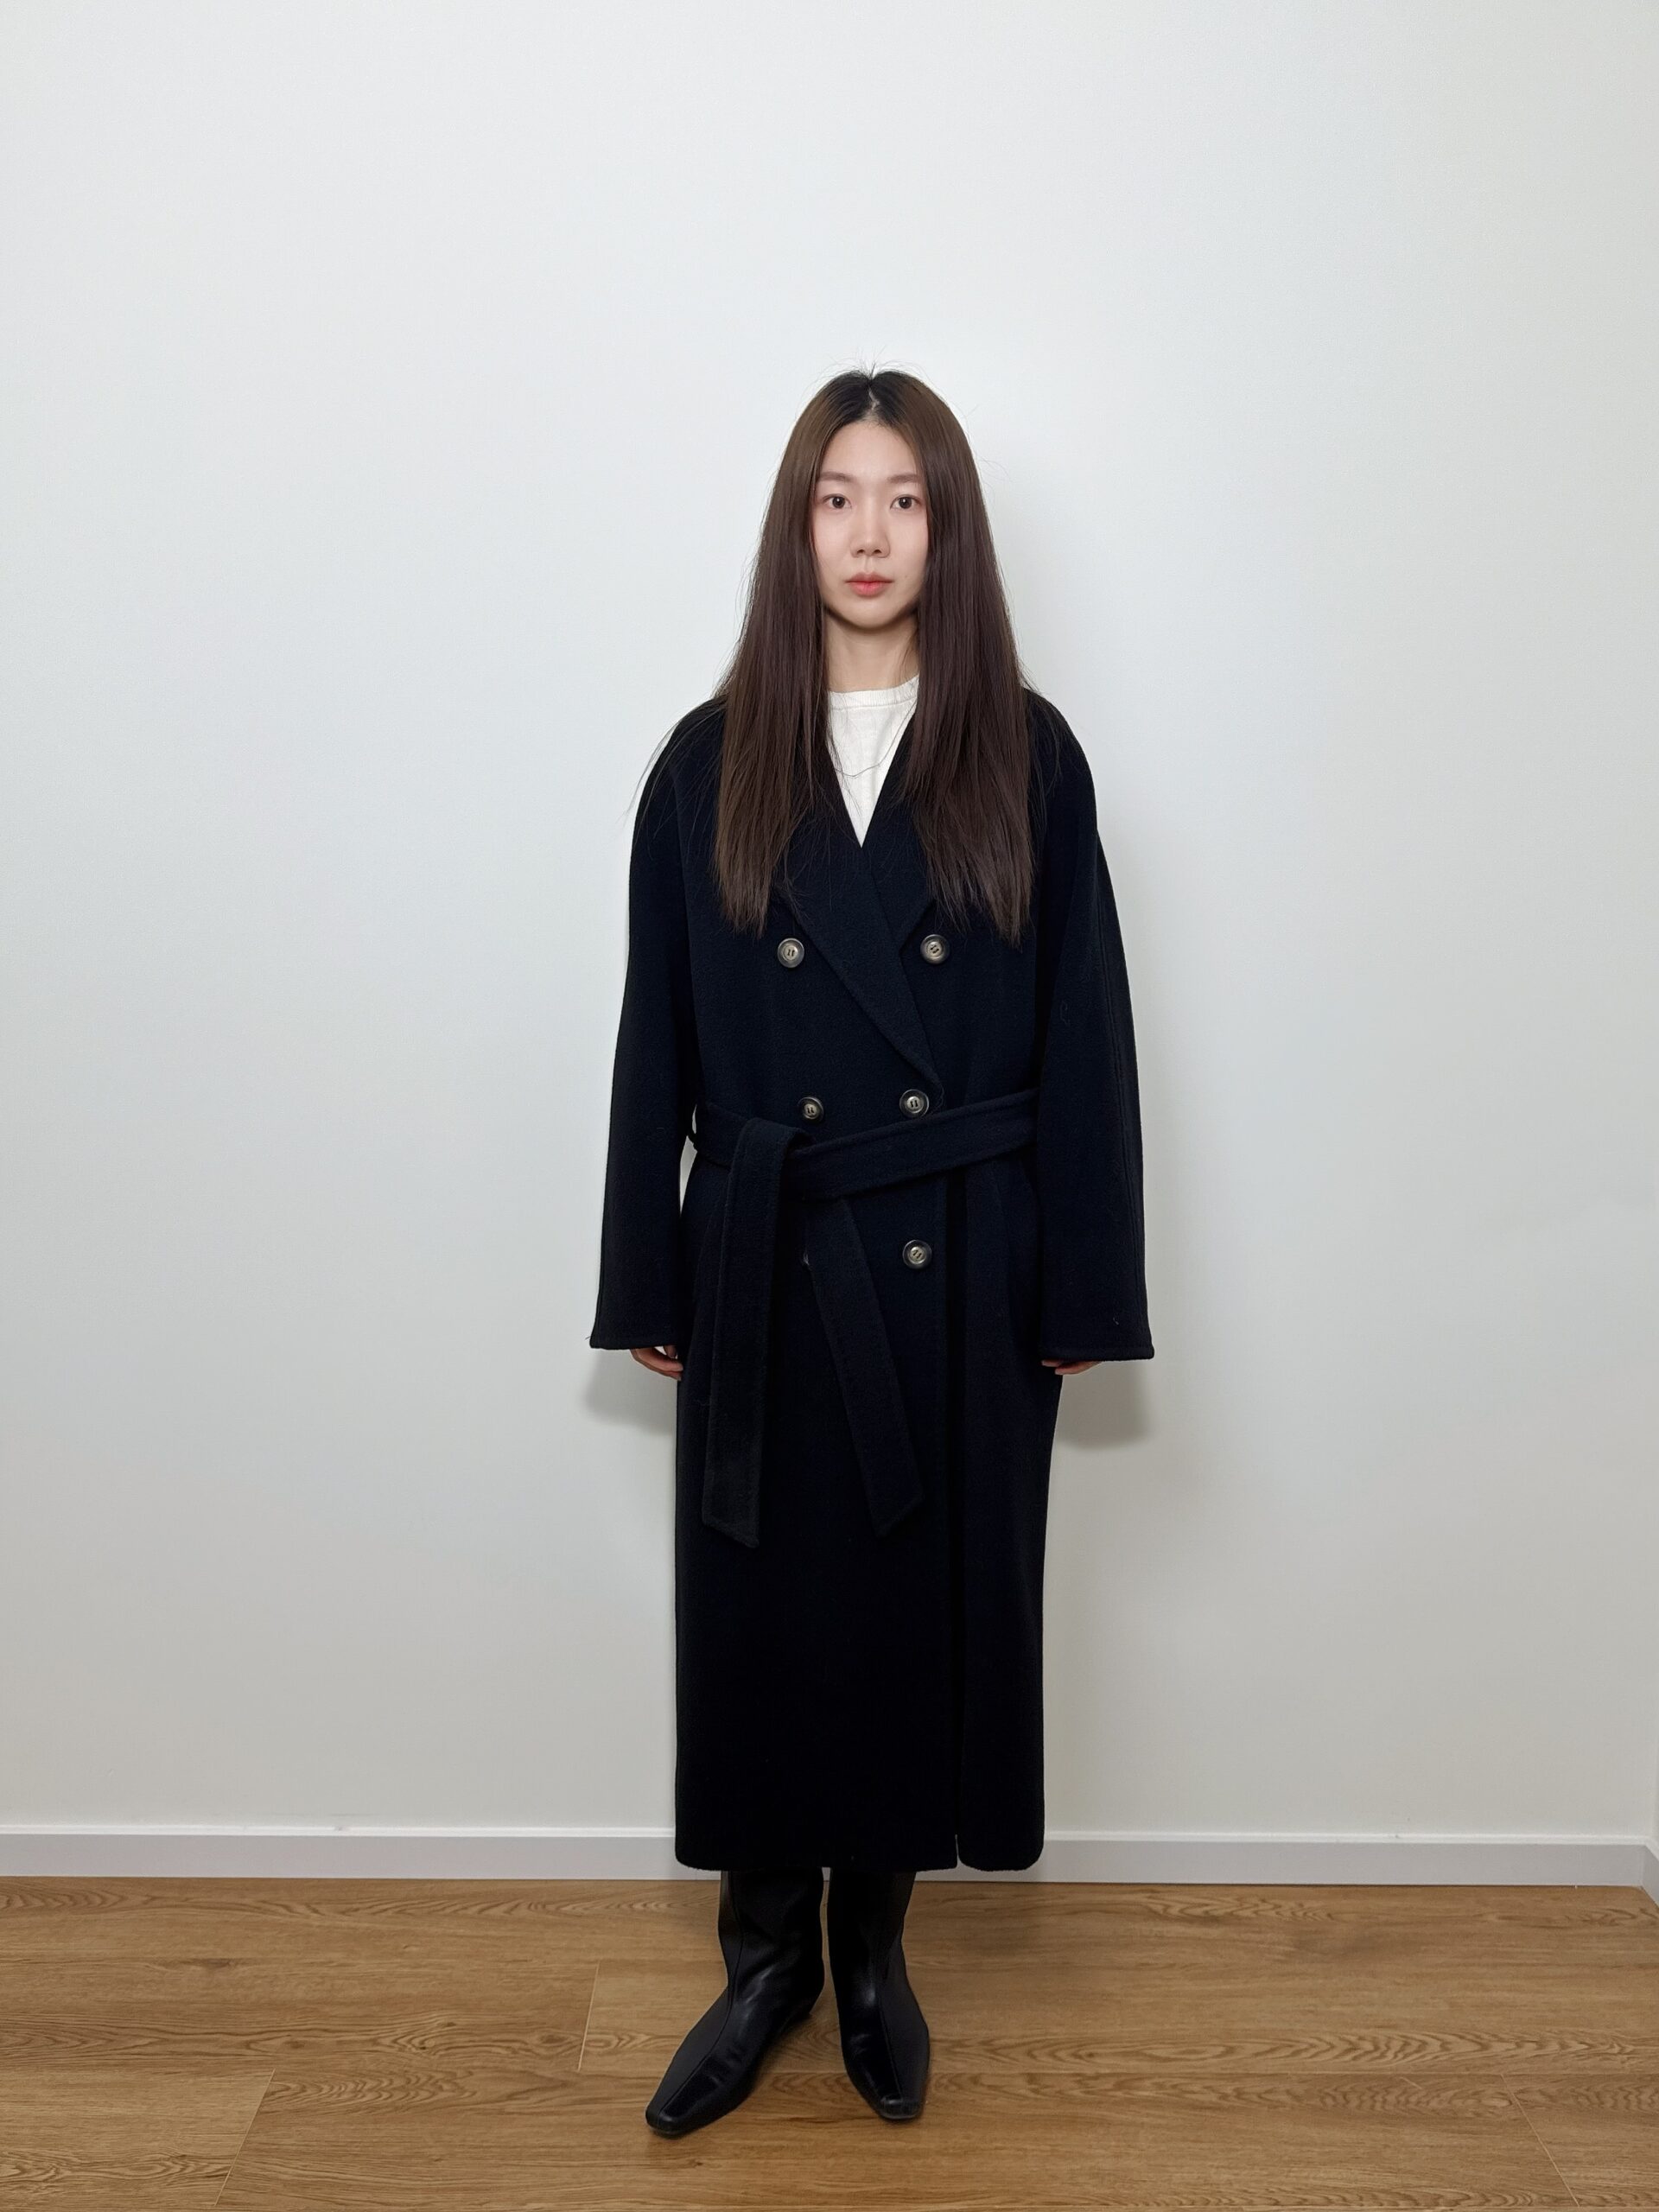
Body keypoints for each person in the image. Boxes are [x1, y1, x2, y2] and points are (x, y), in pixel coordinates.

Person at [588, 366, 1154, 2134]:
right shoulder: (707, 761)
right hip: (764, 1254)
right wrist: (649, 1267)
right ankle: (764, 1960)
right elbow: (655, 1031)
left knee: (918, 1618)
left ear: (949, 533)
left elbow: (1087, 1029)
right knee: (765, 1619)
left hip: (959, 1256)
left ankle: (875, 1952)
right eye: (837, 497)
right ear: (795, 526)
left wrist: (1083, 1283)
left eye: (906, 499)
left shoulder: (1027, 756)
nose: (869, 533)